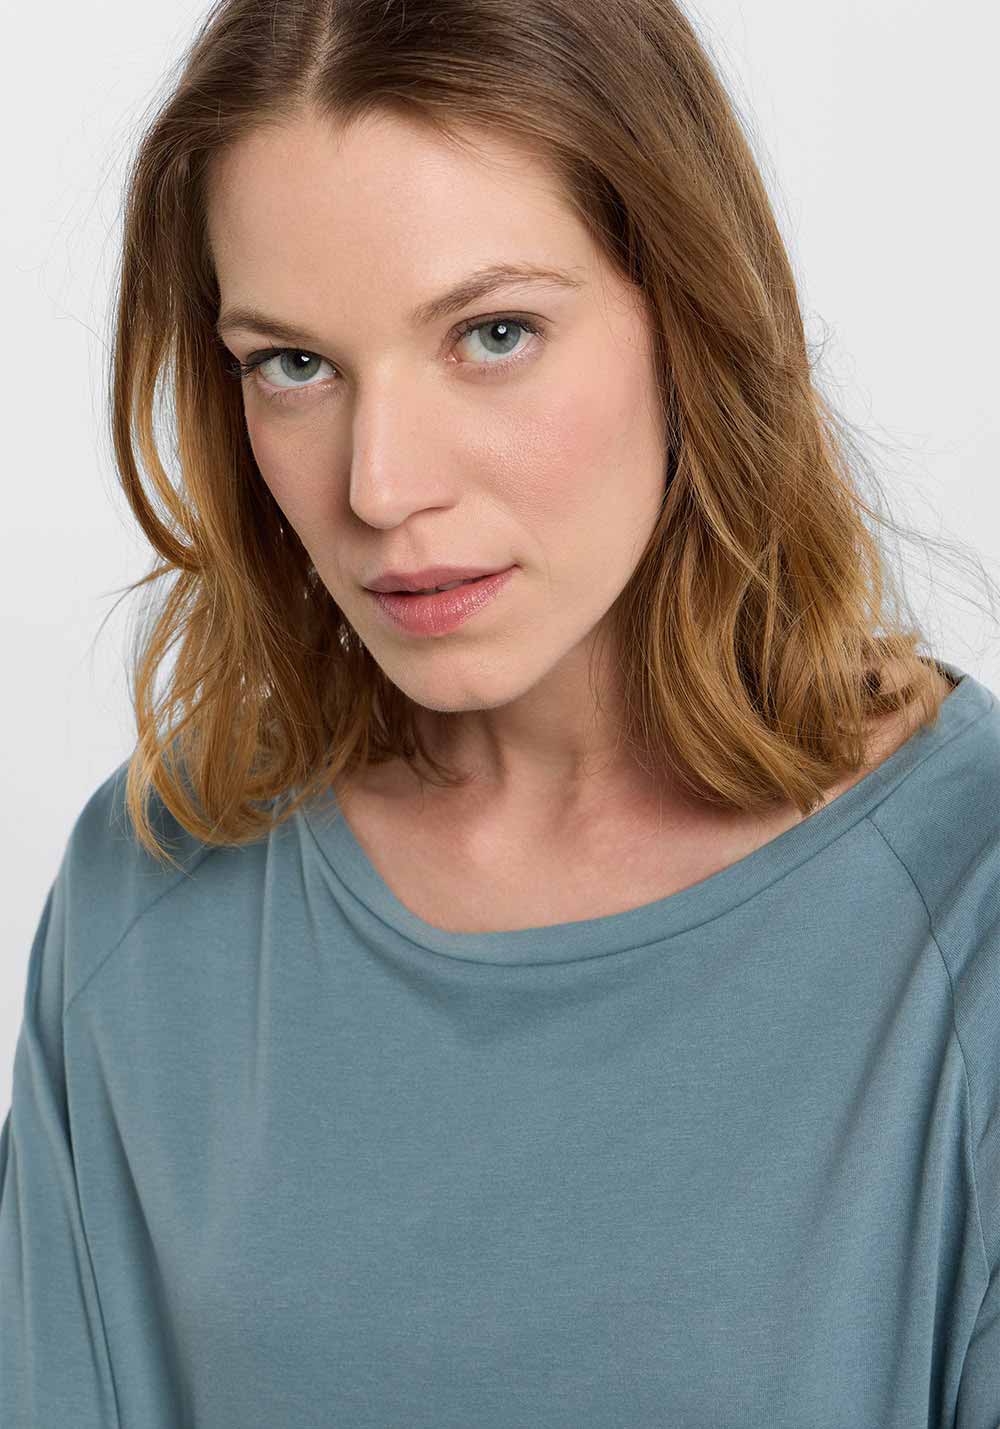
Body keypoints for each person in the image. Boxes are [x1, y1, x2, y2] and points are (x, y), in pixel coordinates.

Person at [2, 1, 997, 1425]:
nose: (381, 486)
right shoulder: (153, 895)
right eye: (293, 364)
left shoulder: (966, 919)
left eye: (493, 332)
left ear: (693, 313)